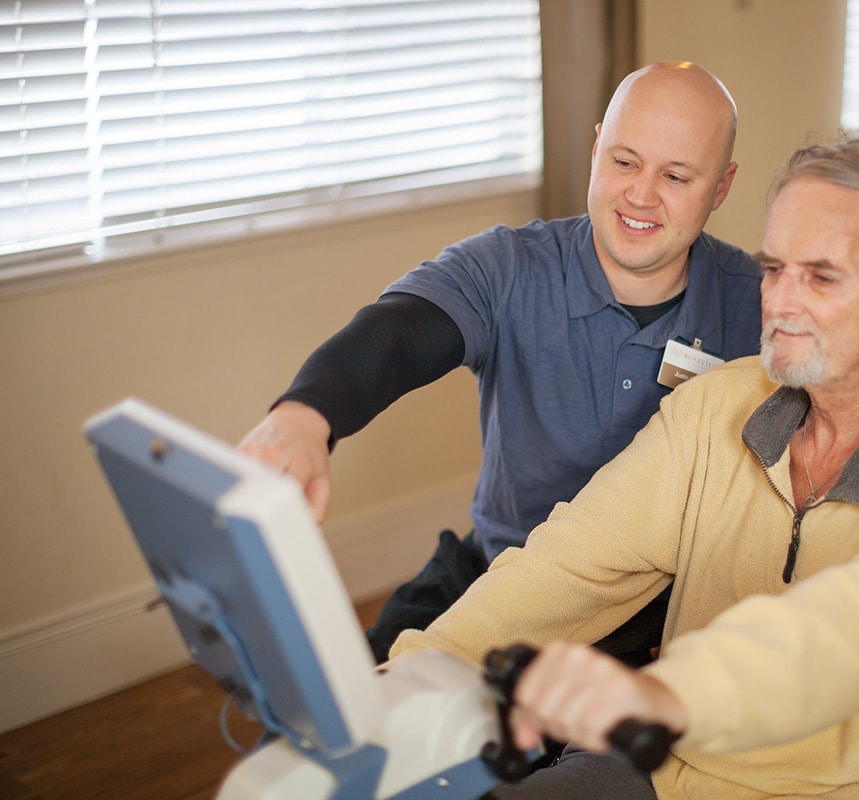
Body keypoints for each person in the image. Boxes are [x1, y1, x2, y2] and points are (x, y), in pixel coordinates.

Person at [385, 137, 859, 799]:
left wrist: (662, 694)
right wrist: (415, 672)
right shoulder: (715, 407)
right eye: (773, 269)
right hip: (673, 767)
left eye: (820, 276)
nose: (781, 301)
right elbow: (569, 564)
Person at [236, 61, 763, 664]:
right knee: (353, 717)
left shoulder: (759, 303)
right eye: (624, 161)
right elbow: (400, 334)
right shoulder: (507, 267)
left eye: (676, 175)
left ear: (721, 187)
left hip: (655, 614)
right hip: (497, 571)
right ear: (595, 149)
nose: (640, 194)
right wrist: (306, 416)